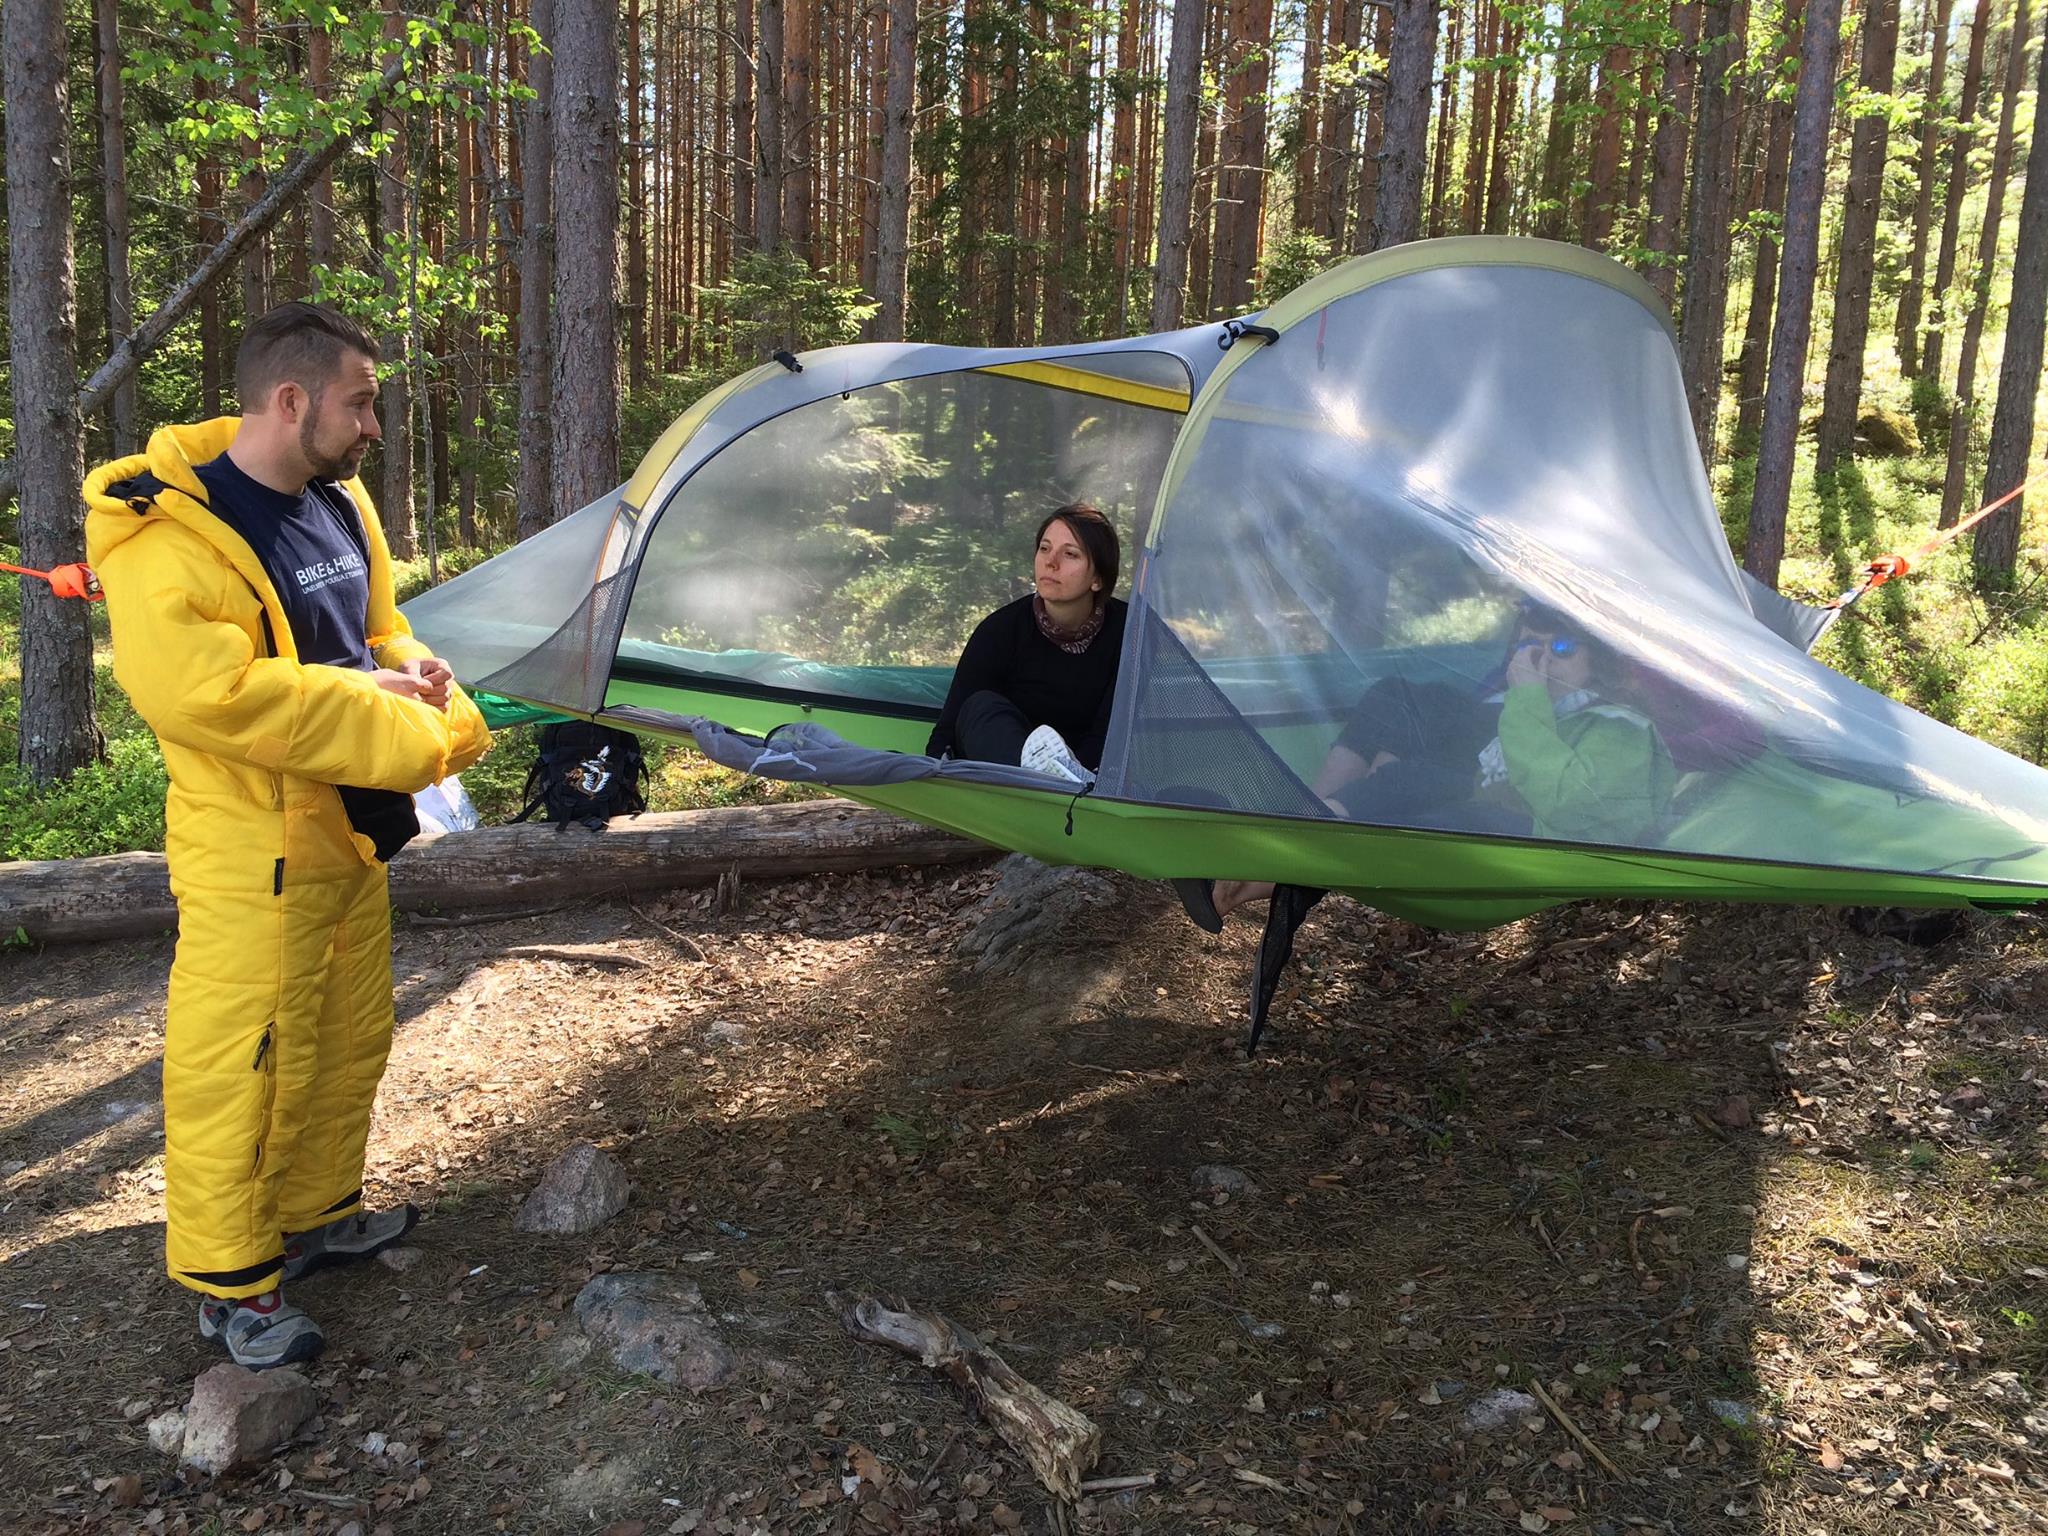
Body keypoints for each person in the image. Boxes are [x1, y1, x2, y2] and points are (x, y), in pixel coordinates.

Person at [83, 302, 492, 1369]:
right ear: (292, 398)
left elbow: (377, 632)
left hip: (351, 840)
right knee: (241, 1065)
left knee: (343, 1040)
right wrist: (402, 724)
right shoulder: (167, 533)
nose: (372, 426)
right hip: (248, 856)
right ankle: (230, 1284)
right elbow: (208, 696)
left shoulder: (340, 502)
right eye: (360, 403)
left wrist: (424, 685)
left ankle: (313, 1218)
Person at [1177, 611, 1674, 928]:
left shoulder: (1622, 727)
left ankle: (1249, 870)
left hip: (1545, 836)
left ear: (1600, 660)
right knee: (1403, 781)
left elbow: (1563, 801)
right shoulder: (1532, 704)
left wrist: (1526, 694)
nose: (1539, 659)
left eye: (1561, 648)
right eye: (1528, 646)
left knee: (1407, 826)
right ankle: (1257, 857)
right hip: (1493, 804)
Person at [926, 503, 1126, 783]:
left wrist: (1086, 772)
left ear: (1097, 579)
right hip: (1007, 776)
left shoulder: (1129, 632)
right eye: (1044, 548)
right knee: (981, 706)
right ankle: (1043, 779)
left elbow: (1110, 731)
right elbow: (949, 729)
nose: (1050, 562)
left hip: (1087, 778)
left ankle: (1066, 778)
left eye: (1070, 554)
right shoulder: (1000, 630)